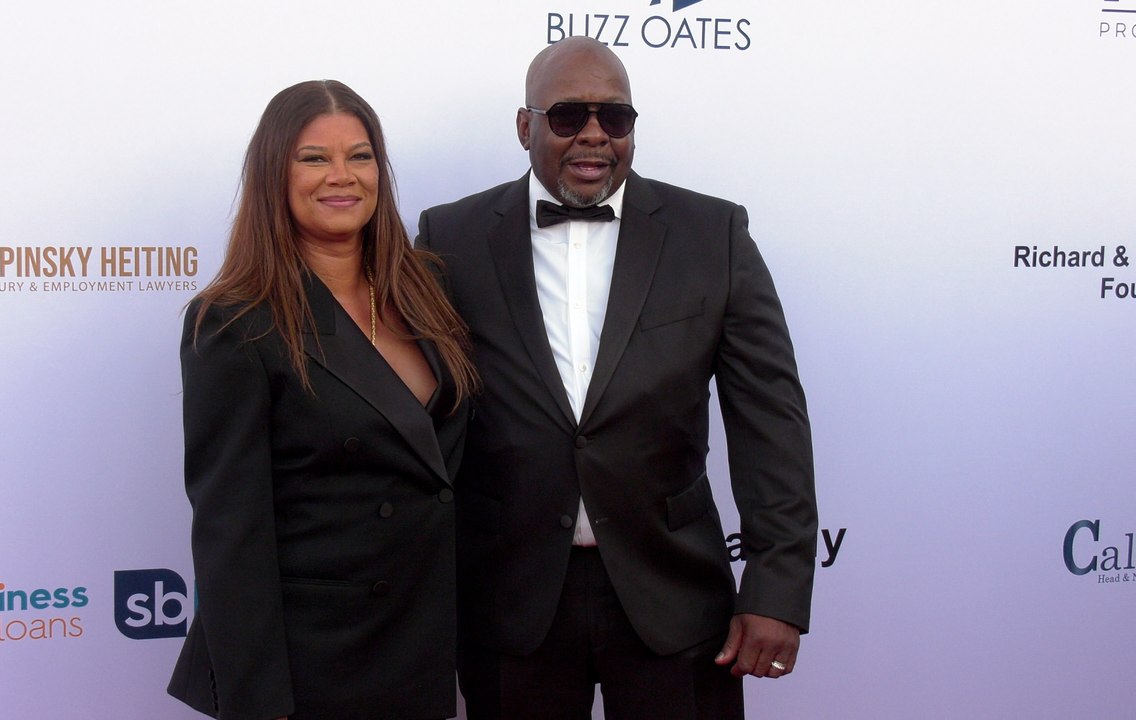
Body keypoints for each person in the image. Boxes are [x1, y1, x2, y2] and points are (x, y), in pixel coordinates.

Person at [415, 37, 817, 720]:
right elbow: (422, 416)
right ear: (525, 127)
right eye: (568, 115)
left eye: (616, 116)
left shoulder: (712, 234)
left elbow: (770, 421)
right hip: (510, 598)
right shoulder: (450, 237)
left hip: (675, 595)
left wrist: (777, 589)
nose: (595, 134)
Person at [168, 79, 478, 720]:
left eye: (360, 156)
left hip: (423, 640)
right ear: (274, 175)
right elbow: (231, 533)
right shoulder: (234, 322)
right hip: (316, 660)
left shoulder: (428, 287)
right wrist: (259, 704)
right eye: (314, 158)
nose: (342, 176)